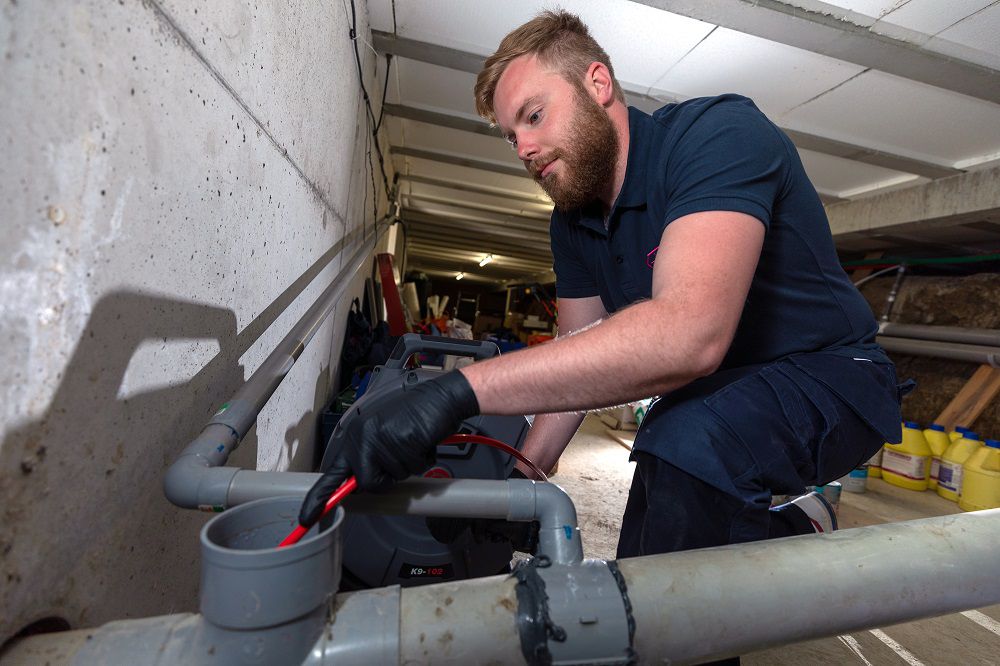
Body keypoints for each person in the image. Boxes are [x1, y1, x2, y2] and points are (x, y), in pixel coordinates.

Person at [300, 11, 905, 561]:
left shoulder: (717, 135)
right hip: (717, 400)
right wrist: (522, 484)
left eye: (534, 117)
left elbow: (689, 335)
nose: (525, 149)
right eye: (512, 136)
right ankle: (781, 540)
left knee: (682, 440)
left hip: (831, 377)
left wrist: (456, 392)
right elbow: (579, 355)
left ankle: (767, 555)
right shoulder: (573, 222)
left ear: (597, 84)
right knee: (655, 516)